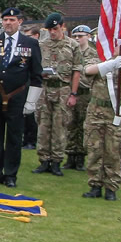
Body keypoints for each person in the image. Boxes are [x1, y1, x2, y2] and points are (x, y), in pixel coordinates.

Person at [0, 7, 43, 188]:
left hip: (17, 97)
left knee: (13, 137)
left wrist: (31, 101)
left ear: (20, 21)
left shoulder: (30, 43)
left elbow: (36, 74)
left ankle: (11, 174)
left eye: (12, 20)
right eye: (5, 20)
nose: (8, 23)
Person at [81, 47, 121, 201]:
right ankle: (95, 185)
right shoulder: (98, 59)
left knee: (114, 151)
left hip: (117, 113)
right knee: (94, 149)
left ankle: (111, 187)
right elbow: (87, 71)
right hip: (96, 112)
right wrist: (110, 64)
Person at [32, 13, 82, 177]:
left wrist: (73, 93)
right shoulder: (42, 45)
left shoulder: (72, 45)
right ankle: (44, 160)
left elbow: (76, 72)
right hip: (45, 88)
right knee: (43, 124)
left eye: (55, 29)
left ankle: (56, 161)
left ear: (62, 27)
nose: (52, 32)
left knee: (60, 126)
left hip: (63, 89)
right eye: (49, 29)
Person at [64, 25, 96, 171]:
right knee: (70, 124)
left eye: (81, 36)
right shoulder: (69, 52)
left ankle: (81, 157)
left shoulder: (94, 54)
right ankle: (70, 155)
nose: (77, 39)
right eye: (75, 36)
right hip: (71, 92)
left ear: (88, 37)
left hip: (86, 93)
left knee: (84, 125)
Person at [22, 27, 41, 150]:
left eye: (29, 36)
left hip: (36, 85)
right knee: (24, 115)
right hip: (25, 82)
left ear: (36, 35)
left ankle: (31, 140)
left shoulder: (38, 47)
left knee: (32, 115)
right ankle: (24, 139)